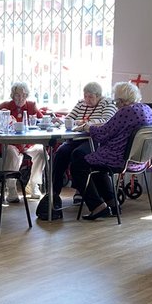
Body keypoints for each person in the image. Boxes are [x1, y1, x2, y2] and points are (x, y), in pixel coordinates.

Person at [70, 81, 152, 220]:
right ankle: (112, 203)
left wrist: (87, 127)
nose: (116, 106)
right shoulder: (146, 109)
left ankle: (97, 206)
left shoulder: (126, 111)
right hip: (140, 160)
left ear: (122, 101)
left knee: (78, 160)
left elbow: (103, 134)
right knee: (95, 161)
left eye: (116, 102)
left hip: (120, 159)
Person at [40, 82, 117, 218]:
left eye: (90, 97)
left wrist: (85, 124)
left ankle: (96, 204)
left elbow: (106, 121)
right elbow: (69, 119)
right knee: (60, 153)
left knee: (78, 155)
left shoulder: (107, 104)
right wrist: (61, 121)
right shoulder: (81, 104)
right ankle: (53, 195)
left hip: (96, 140)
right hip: (77, 139)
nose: (87, 100)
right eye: (85, 96)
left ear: (99, 96)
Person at [0, 82, 47, 201]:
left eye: (24, 95)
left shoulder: (31, 105)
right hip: (11, 143)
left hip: (28, 143)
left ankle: (33, 184)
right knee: (10, 152)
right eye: (17, 95)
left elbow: (42, 121)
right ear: (12, 95)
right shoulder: (5, 106)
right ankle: (11, 188)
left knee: (41, 151)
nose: (21, 98)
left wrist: (46, 121)